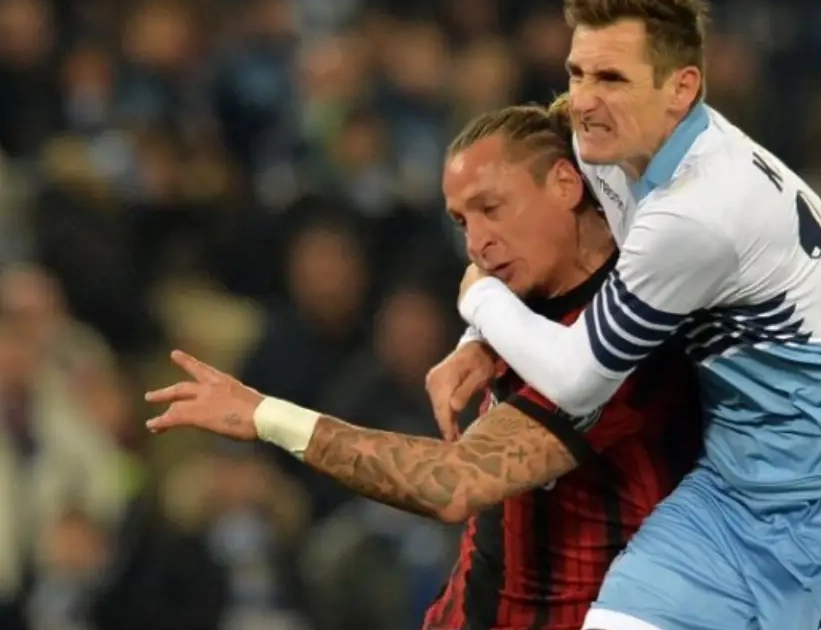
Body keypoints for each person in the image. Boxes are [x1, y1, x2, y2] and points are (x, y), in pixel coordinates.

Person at [430, 1, 821, 629]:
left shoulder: (698, 211)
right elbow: (525, 224)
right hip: (731, 494)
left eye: (611, 78)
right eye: (577, 73)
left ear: (681, 88)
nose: (584, 100)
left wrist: (477, 297)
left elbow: (576, 380)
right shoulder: (604, 148)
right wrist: (477, 338)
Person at [144, 103, 702, 630]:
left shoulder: (623, 337)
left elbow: (454, 483)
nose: (477, 243)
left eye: (491, 208)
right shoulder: (527, 299)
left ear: (564, 183)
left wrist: (265, 415)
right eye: (462, 222)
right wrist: (477, 330)